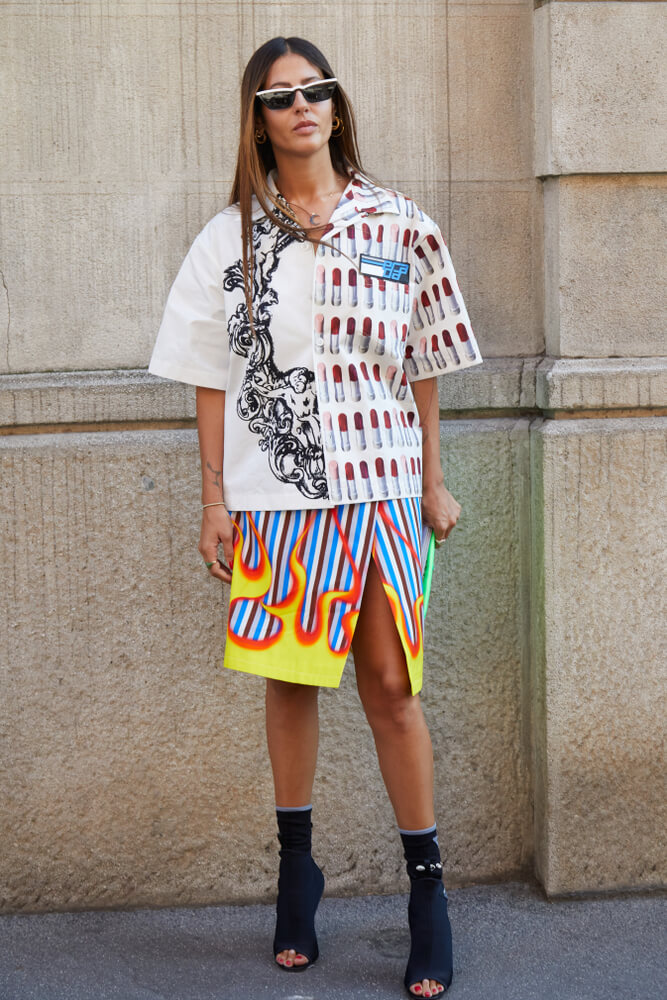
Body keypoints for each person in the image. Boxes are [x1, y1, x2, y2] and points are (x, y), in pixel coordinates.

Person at [149, 35, 482, 999]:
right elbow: (212, 377)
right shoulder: (231, 239)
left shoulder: (399, 223)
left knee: (388, 686)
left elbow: (421, 366)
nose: (301, 106)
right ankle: (297, 873)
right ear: (257, 117)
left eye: (315, 90)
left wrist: (432, 478)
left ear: (337, 107)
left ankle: (428, 893)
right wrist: (212, 499)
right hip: (278, 500)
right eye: (279, 95)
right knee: (290, 685)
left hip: (381, 488)